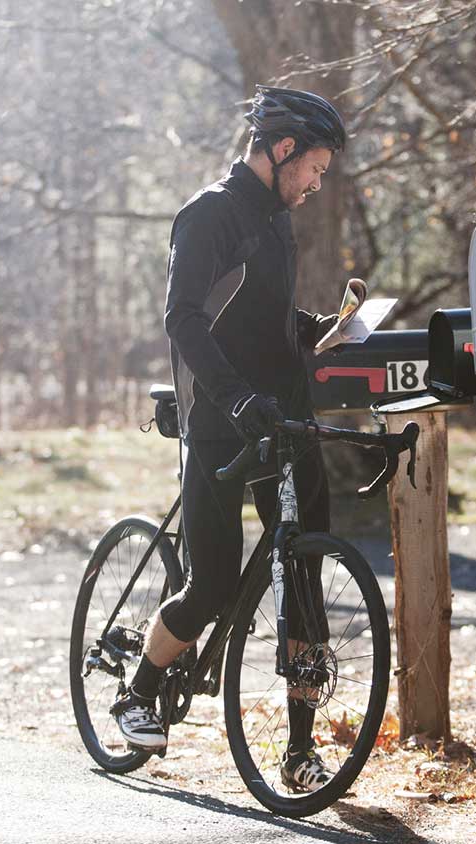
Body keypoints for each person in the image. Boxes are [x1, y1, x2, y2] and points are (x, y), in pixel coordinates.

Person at [111, 85, 347, 791]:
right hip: (219, 419)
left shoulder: (278, 219)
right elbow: (185, 319)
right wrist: (237, 396)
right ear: (281, 150)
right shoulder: (207, 214)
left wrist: (320, 329)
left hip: (286, 418)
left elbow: (261, 317)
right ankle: (138, 691)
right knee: (211, 582)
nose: (315, 183)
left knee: (304, 574)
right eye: (314, 168)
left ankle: (299, 751)